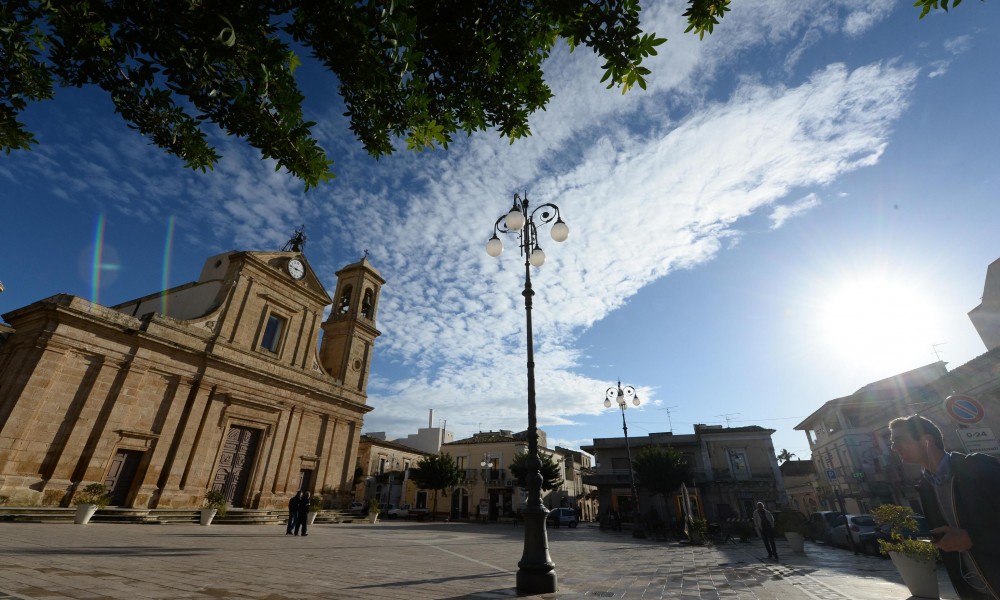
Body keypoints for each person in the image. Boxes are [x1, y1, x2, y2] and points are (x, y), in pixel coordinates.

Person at [889, 414, 1000, 599]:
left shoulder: (979, 470)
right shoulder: (926, 487)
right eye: (892, 442)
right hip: (974, 590)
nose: (893, 447)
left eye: (899, 440)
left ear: (926, 440)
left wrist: (973, 538)